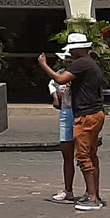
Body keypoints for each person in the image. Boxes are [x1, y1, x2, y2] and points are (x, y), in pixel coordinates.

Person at [41, 32, 106, 211]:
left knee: (84, 156)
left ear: (78, 50)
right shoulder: (90, 63)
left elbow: (60, 79)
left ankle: (93, 198)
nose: (71, 56)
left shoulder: (82, 63)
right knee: (91, 155)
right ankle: (93, 193)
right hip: (95, 113)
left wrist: (44, 65)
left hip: (86, 115)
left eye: (72, 51)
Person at [45, 53, 78, 204]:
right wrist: (55, 97)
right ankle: (68, 190)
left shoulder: (79, 72)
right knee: (67, 153)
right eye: (66, 59)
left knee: (84, 154)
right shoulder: (60, 73)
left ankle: (91, 192)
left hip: (79, 112)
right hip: (66, 111)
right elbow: (53, 83)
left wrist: (44, 65)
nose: (68, 61)